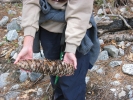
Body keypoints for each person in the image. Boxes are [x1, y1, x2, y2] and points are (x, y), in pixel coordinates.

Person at [14, 0, 100, 100]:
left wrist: (71, 48)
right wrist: (28, 43)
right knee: (56, 78)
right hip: (48, 30)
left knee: (73, 85)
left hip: (77, 29)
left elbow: (80, 8)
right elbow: (31, 2)